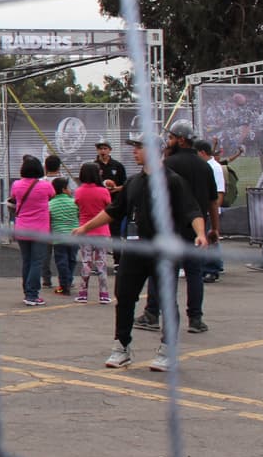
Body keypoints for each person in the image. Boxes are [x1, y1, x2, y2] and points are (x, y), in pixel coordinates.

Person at [74, 134, 206, 371]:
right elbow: (114, 211)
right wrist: (85, 227)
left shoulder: (173, 181)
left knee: (166, 300)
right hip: (135, 248)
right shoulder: (134, 182)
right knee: (124, 296)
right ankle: (121, 347)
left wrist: (200, 234)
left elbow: (192, 210)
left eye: (139, 147)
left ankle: (168, 350)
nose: (134, 151)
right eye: (134, 147)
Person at [135, 120, 216, 334]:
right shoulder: (204, 166)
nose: (168, 142)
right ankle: (196, 319)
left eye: (171, 138)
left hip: (170, 230)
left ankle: (152, 313)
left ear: (181, 139)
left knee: (161, 272)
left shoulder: (168, 165)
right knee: (194, 273)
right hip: (196, 229)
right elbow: (212, 200)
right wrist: (213, 228)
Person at [12, 155, 55, 306]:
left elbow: (13, 197)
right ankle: (32, 294)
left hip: (22, 227)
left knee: (27, 261)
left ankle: (27, 292)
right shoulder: (45, 186)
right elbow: (52, 196)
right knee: (37, 262)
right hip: (40, 229)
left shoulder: (16, 184)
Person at [73, 162, 112, 304]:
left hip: (84, 230)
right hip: (102, 231)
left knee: (86, 262)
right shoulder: (103, 191)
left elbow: (78, 205)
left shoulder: (79, 191)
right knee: (101, 263)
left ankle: (83, 293)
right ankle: (104, 293)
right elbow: (109, 207)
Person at [92, 138, 128, 267]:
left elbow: (125, 184)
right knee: (97, 234)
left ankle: (117, 261)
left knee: (116, 233)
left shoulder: (117, 166)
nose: (102, 151)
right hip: (98, 205)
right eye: (100, 148)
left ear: (110, 150)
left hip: (115, 203)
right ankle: (98, 263)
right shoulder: (93, 166)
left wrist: (115, 189)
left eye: (105, 148)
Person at [193, 139, 225, 282]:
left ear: (202, 152)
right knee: (205, 240)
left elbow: (219, 193)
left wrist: (213, 211)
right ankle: (210, 265)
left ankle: (212, 268)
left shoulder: (214, 168)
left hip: (209, 211)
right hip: (201, 210)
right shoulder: (203, 166)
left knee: (212, 239)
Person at [48, 177, 79, 295]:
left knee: (61, 261)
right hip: (74, 236)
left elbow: (49, 221)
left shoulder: (50, 204)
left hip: (58, 237)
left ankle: (64, 284)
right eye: (68, 187)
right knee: (72, 260)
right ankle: (68, 281)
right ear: (64, 189)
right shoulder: (74, 202)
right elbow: (79, 215)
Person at [40, 154, 62, 288]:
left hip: (45, 220)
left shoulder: (41, 182)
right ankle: (64, 278)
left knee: (45, 253)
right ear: (59, 166)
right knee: (62, 252)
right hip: (62, 221)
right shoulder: (65, 181)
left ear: (45, 167)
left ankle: (46, 279)